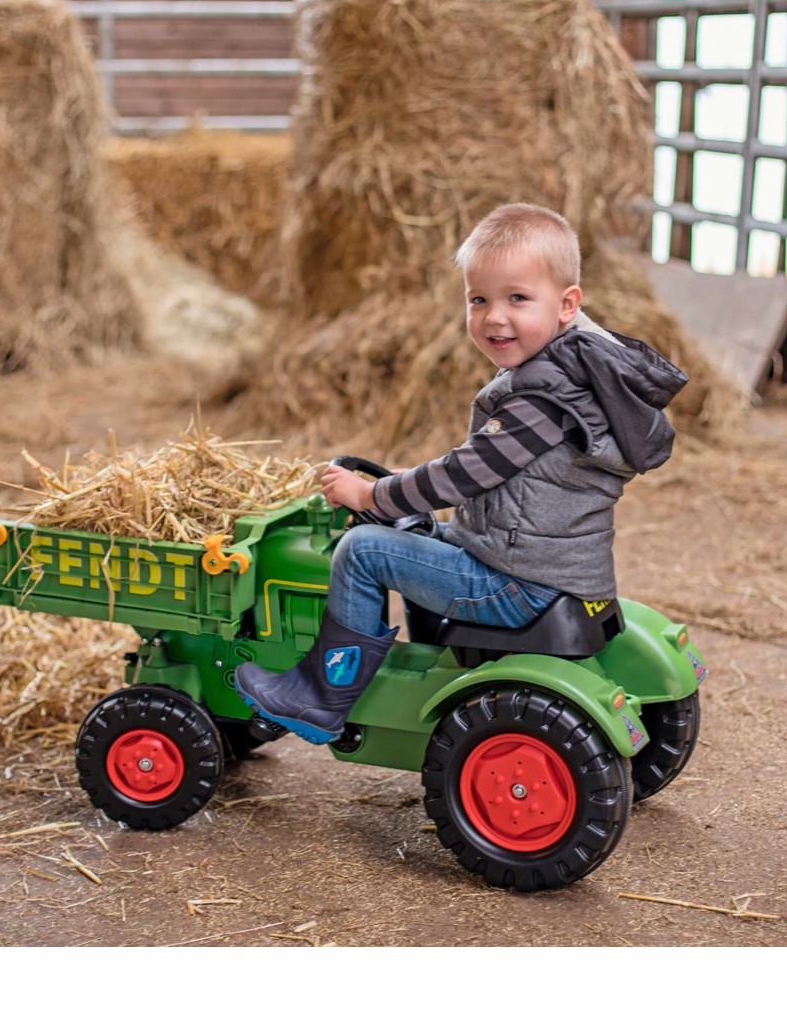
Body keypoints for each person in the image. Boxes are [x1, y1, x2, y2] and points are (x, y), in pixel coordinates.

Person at [234, 202, 689, 745]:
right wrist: (404, 492)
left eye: (517, 298)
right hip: (547, 565)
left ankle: (319, 697)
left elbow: (462, 475)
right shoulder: (580, 375)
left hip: (516, 581)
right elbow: (492, 474)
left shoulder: (543, 398)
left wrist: (373, 493)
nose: (495, 316)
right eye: (479, 300)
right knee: (421, 529)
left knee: (363, 551)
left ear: (567, 305)